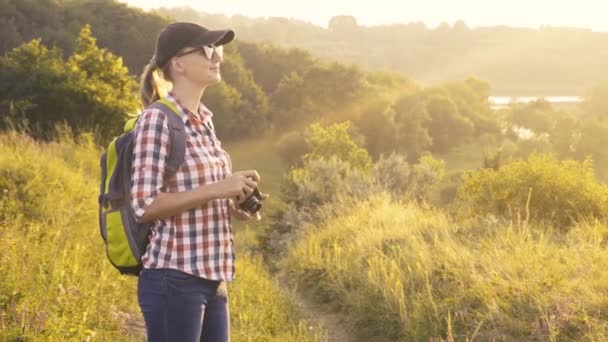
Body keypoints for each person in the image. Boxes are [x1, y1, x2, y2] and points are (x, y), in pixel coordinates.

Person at [131, 22, 262, 342]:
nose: (217, 56)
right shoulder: (157, 119)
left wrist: (235, 204)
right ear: (178, 64)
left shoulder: (205, 119)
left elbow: (196, 194)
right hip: (174, 277)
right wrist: (220, 187)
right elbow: (144, 204)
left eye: (218, 49)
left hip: (212, 278)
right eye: (207, 49)